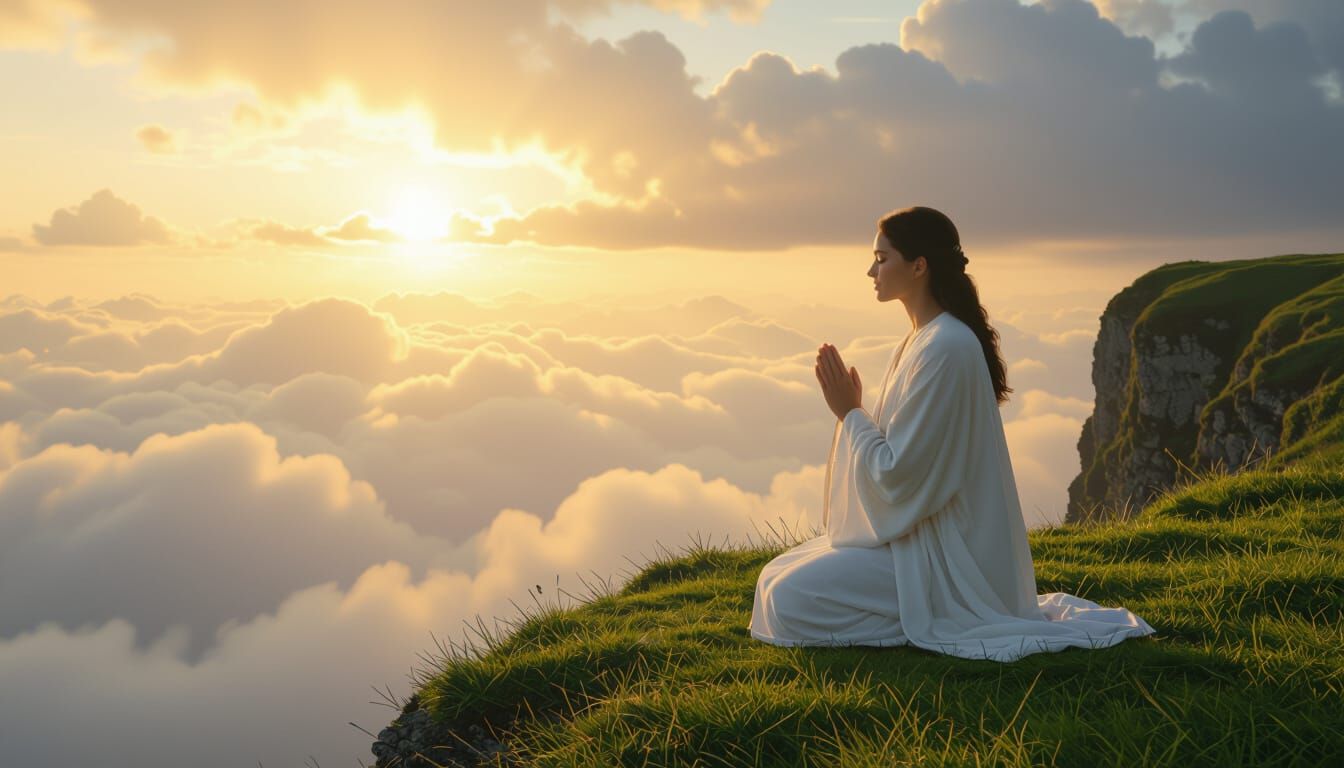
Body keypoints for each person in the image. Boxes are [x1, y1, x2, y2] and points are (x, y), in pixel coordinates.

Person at [749, 206, 1156, 662]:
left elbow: (899, 476)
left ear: (919, 265)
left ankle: (922, 617)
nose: (871, 270)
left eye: (882, 258)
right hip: (918, 537)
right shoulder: (921, 340)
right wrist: (858, 413)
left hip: (947, 558)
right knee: (773, 576)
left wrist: (850, 413)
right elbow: (907, 457)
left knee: (788, 598)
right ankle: (900, 612)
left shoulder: (946, 346)